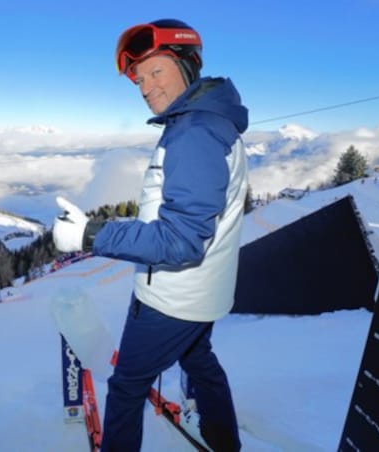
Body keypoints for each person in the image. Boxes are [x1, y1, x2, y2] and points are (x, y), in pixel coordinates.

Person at [52, 18, 248, 451]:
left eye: (155, 71)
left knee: (126, 388)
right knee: (200, 363)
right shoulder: (205, 123)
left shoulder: (195, 133)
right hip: (201, 294)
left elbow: (180, 241)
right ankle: (224, 441)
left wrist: (91, 235)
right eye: (139, 79)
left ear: (187, 65)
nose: (145, 86)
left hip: (172, 299)